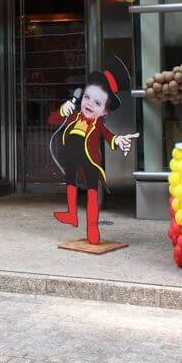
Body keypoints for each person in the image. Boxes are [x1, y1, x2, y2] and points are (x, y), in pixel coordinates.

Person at [48, 62, 136, 245]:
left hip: (90, 161)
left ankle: (92, 228)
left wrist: (118, 140)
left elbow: (109, 136)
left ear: (104, 111)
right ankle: (71, 214)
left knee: (92, 193)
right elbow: (53, 120)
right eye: (87, 97)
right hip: (71, 157)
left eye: (97, 103)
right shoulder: (73, 116)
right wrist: (62, 110)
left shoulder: (99, 124)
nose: (88, 104)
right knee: (70, 182)